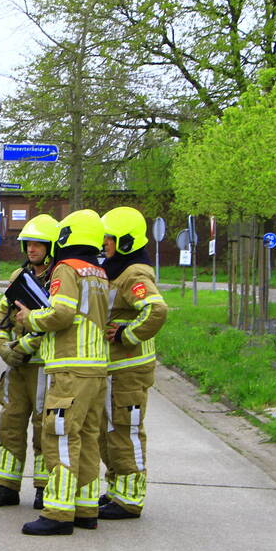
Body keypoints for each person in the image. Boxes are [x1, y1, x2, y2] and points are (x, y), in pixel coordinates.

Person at [14, 209, 109, 535]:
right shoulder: (98, 272)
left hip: (71, 368)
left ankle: (58, 513)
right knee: (88, 439)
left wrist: (30, 318)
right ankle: (85, 509)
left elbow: (62, 313)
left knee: (60, 438)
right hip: (96, 369)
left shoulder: (67, 269)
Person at [0, 214, 59, 510]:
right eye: (28, 244)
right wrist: (3, 347)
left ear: (51, 246)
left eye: (38, 244)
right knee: (10, 424)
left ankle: (43, 487)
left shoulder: (59, 280)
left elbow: (54, 322)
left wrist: (23, 347)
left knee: (43, 428)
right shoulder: (19, 277)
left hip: (42, 367)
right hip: (15, 366)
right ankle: (5, 486)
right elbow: (1, 316)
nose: (32, 249)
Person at [98, 207, 167, 519]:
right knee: (109, 432)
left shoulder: (134, 274)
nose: (104, 243)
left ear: (126, 241)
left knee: (125, 431)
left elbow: (156, 310)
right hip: (115, 369)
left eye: (110, 238)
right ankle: (117, 490)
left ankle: (130, 499)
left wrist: (127, 334)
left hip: (129, 370)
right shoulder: (116, 270)